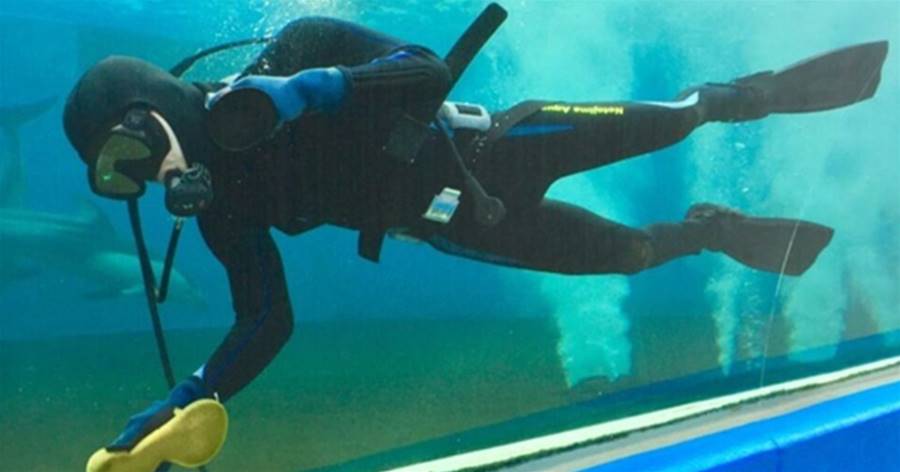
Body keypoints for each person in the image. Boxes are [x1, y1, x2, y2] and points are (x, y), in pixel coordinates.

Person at [62, 11, 888, 472]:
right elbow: (266, 319)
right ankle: (713, 231)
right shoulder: (224, 211)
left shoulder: (297, 48)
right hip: (456, 227)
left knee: (678, 120)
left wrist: (309, 89)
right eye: (118, 179)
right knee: (631, 255)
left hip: (499, 149)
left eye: (133, 152)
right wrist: (194, 394)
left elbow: (425, 68)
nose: (145, 179)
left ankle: (754, 95)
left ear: (154, 105)